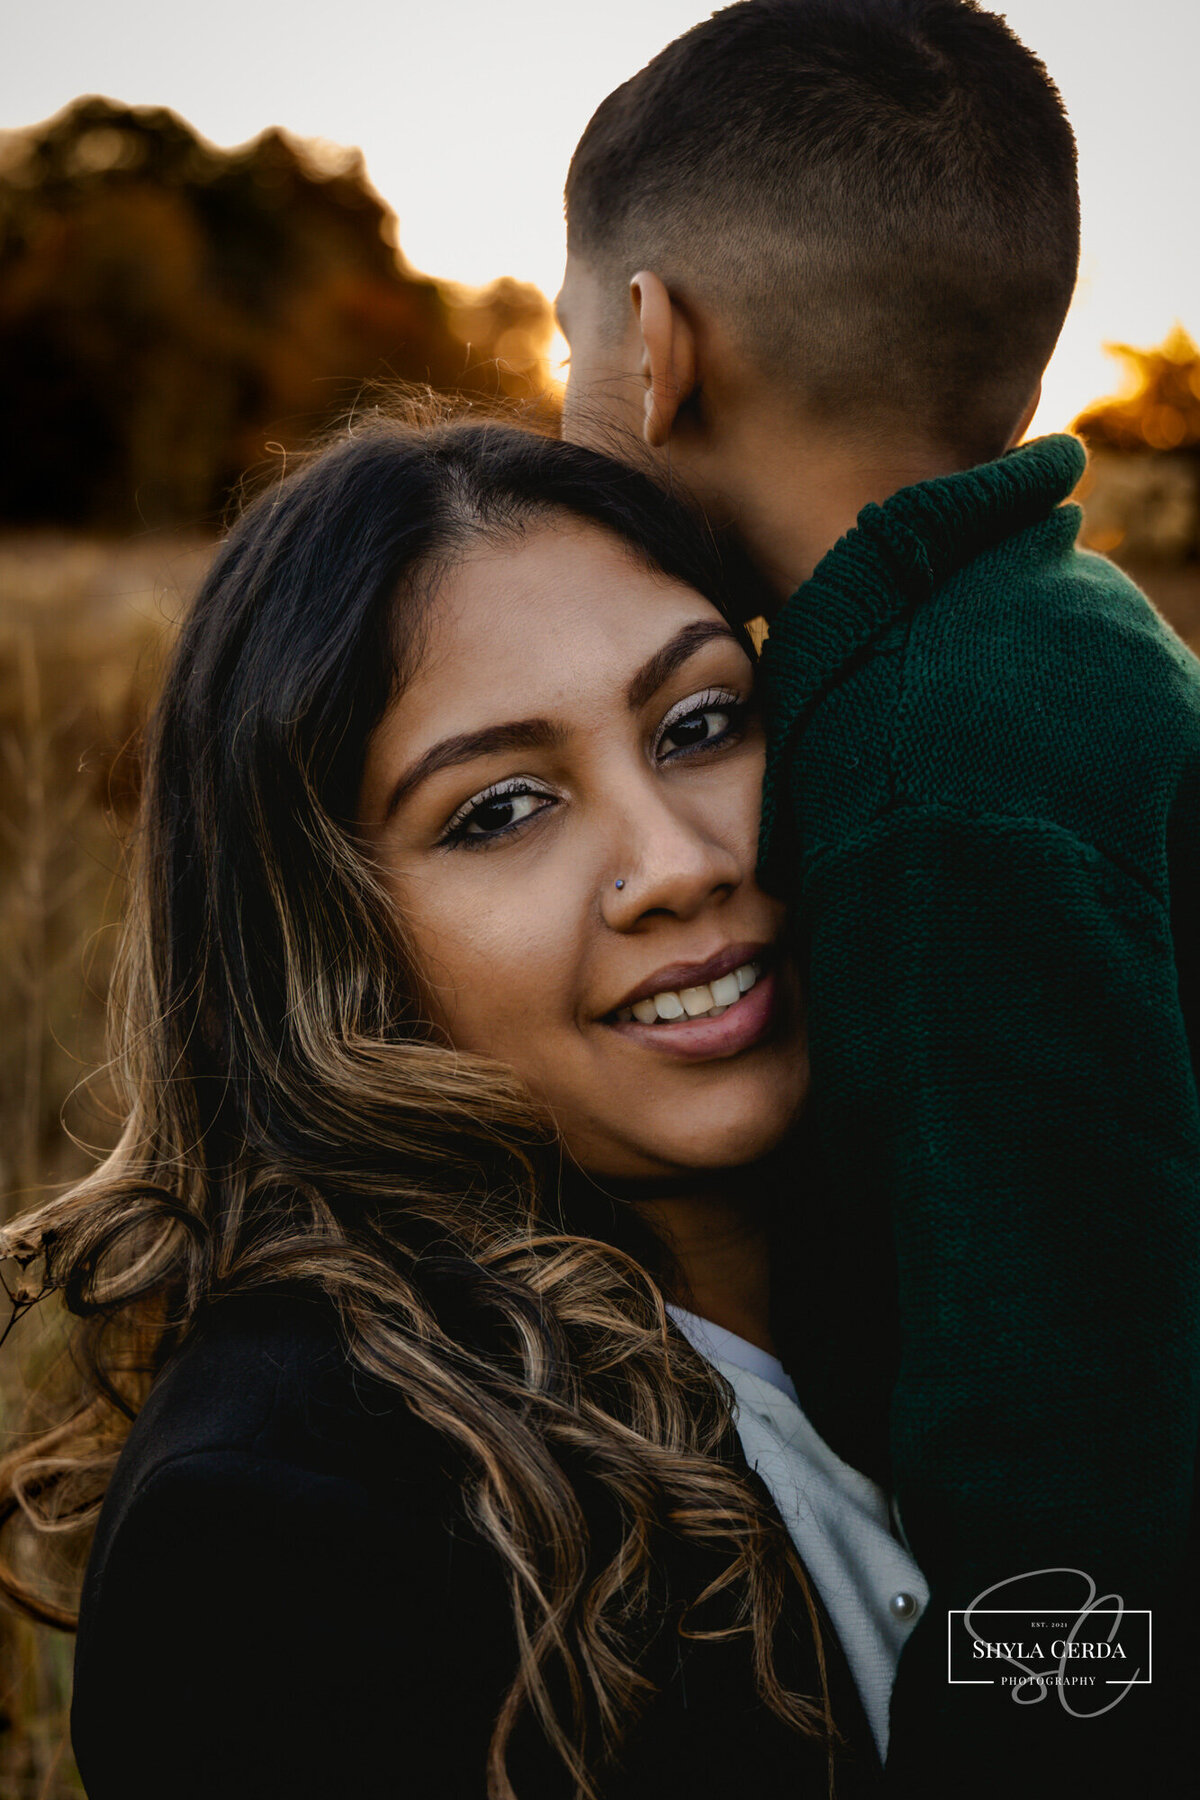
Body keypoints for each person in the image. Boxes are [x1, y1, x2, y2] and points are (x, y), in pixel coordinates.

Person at [0, 418, 915, 1799]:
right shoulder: (283, 1527)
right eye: (499, 810)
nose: (675, 862)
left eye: (703, 724)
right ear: (330, 936)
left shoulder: (992, 1261)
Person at [557, 1, 1200, 1793]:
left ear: (650, 340)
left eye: (562, 339)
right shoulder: (1051, 634)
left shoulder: (940, 778)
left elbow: (1058, 1408)